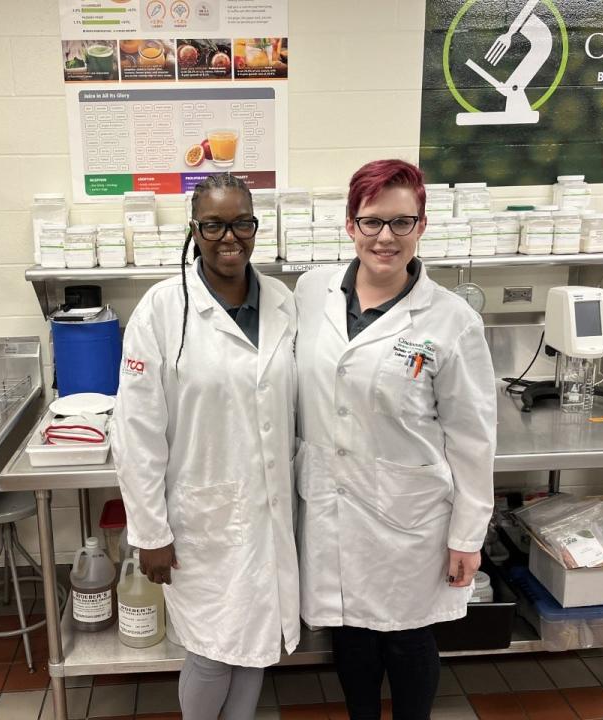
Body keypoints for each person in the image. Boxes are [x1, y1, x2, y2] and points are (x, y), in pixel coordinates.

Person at [293, 159, 497, 720]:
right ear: (350, 225)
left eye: (401, 222)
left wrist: (467, 535)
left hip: (409, 517)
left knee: (407, 639)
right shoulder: (312, 293)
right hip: (330, 504)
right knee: (350, 636)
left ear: (422, 227)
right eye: (372, 221)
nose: (385, 237)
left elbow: (474, 438)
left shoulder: (452, 321)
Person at [112, 174, 300, 720]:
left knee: (255, 646)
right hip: (200, 518)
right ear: (194, 231)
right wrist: (149, 532)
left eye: (242, 223)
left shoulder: (283, 304)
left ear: (255, 228)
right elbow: (137, 430)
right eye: (214, 224)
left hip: (268, 512)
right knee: (213, 652)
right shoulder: (162, 310)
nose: (229, 237)